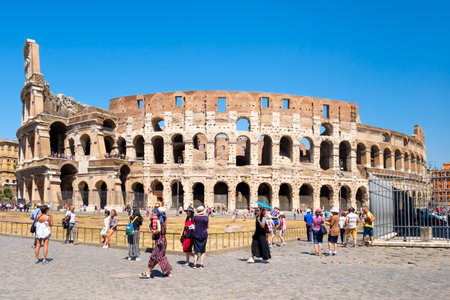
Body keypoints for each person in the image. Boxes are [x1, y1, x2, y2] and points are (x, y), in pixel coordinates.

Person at [140, 206, 172, 278]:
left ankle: (148, 272)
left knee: (153, 256)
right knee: (162, 257)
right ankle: (168, 272)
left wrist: (154, 232)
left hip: (159, 240)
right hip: (164, 240)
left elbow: (159, 229)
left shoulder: (158, 220)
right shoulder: (164, 220)